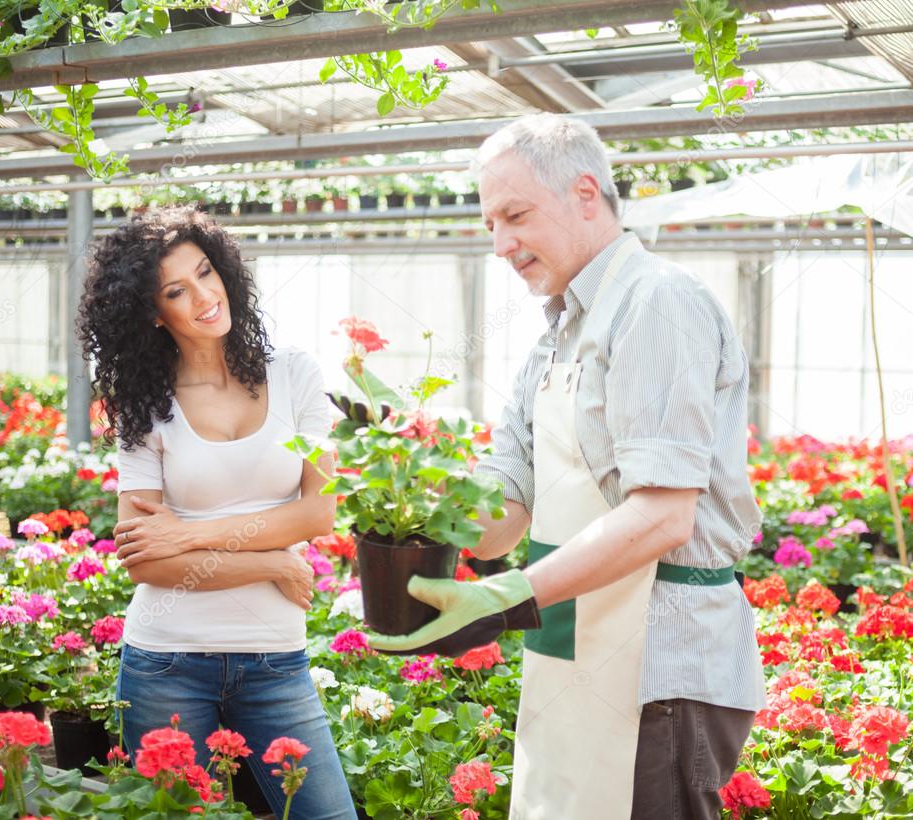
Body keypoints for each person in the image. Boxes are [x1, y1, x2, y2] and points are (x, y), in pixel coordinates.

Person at [369, 114, 765, 820]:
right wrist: (403, 497)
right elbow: (498, 521)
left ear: (585, 193)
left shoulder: (655, 304)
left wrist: (505, 598)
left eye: (514, 216)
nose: (501, 245)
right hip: (570, 643)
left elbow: (663, 516)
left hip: (660, 664)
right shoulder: (554, 337)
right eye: (490, 223)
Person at [77, 206, 357, 820]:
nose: (204, 296)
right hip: (166, 661)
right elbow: (147, 564)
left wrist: (189, 533)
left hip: (276, 660)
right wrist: (271, 565)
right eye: (178, 290)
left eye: (206, 272)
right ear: (153, 312)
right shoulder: (143, 405)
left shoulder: (295, 375)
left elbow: (318, 515)